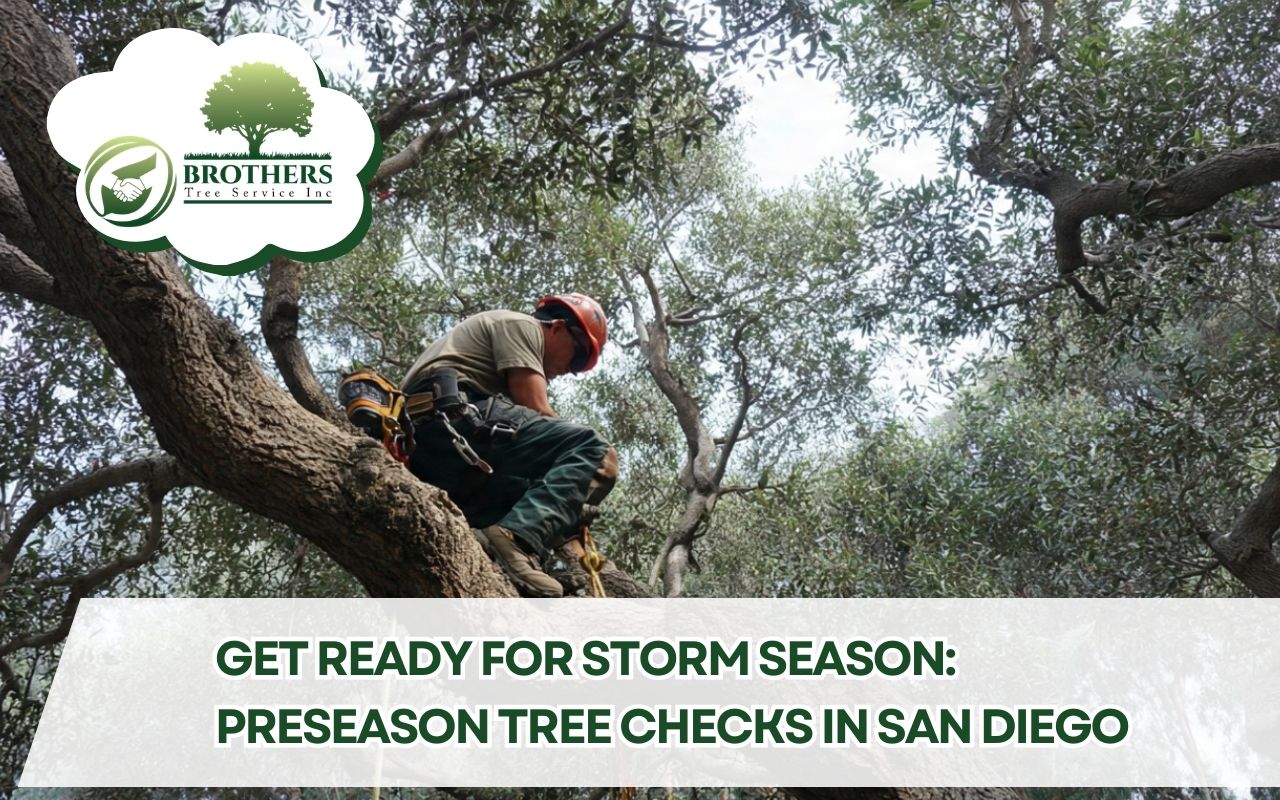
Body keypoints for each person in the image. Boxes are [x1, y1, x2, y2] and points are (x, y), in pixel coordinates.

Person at [400, 293, 617, 597]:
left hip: (441, 451)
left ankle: (512, 559)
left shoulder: (501, 345)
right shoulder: (521, 325)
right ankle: (515, 538)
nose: (572, 369)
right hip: (453, 420)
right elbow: (538, 409)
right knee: (594, 451)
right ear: (557, 327)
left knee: (529, 496)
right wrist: (573, 492)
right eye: (578, 355)